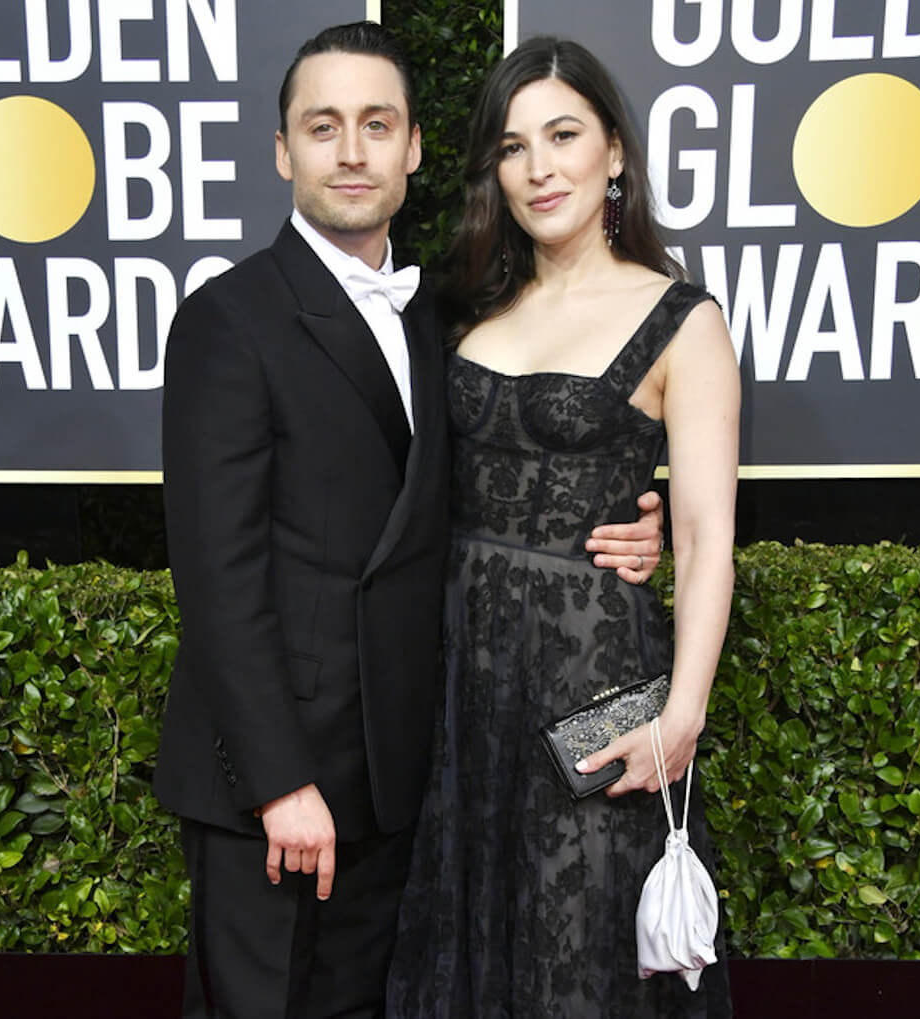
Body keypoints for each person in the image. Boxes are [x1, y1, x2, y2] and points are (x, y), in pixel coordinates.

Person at [153, 22, 664, 1018]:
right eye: (323, 126)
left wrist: (637, 522)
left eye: (376, 124)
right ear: (281, 150)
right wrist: (277, 782)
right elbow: (216, 573)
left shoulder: (442, 315)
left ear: (414, 147)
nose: (351, 150)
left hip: (402, 776)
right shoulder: (229, 316)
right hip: (278, 784)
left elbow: (503, 480)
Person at [387, 35, 738, 1018]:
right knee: (463, 942)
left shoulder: (682, 321)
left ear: (614, 151)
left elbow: (711, 534)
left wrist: (682, 716)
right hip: (459, 683)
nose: (538, 168)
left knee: (574, 954)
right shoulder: (460, 303)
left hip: (592, 683)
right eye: (510, 145)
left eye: (563, 134)